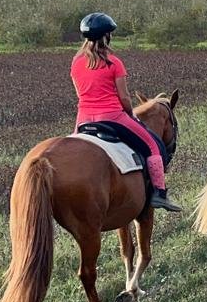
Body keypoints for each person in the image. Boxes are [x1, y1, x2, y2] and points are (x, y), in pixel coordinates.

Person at [70, 12, 181, 211]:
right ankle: (159, 193)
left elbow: (80, 94)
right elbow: (124, 98)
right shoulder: (114, 63)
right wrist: (130, 115)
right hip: (113, 117)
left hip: (83, 119)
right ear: (106, 36)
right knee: (152, 147)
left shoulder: (76, 63)